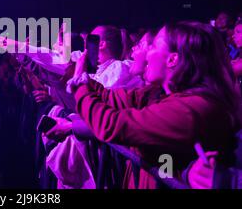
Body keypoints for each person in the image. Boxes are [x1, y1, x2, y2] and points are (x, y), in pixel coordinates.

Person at [72, 21, 240, 188]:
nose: (145, 55)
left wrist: (80, 84)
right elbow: (114, 99)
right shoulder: (160, 92)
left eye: (152, 47)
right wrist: (82, 78)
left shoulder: (189, 109)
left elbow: (111, 125)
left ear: (172, 59)